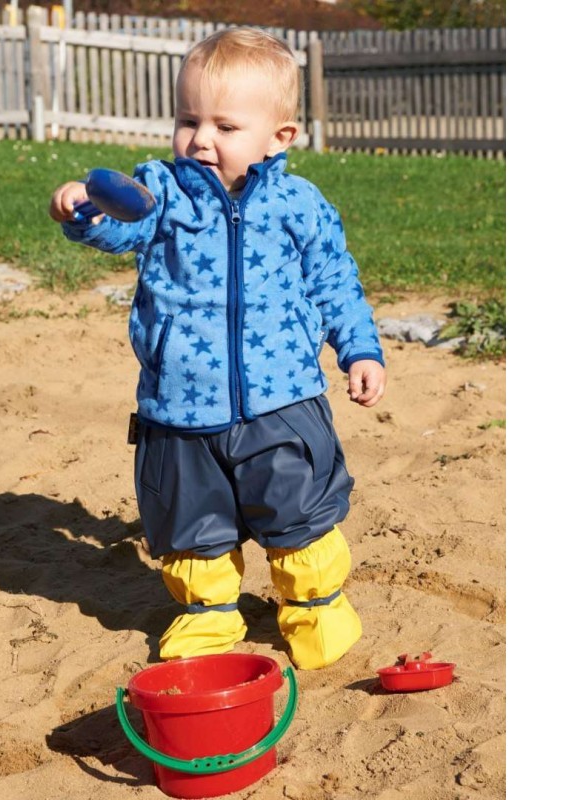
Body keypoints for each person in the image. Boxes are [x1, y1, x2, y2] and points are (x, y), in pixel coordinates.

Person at [48, 27, 386, 670]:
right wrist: (85, 212)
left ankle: (314, 606)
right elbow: (123, 226)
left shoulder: (300, 205)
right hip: (180, 405)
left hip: (282, 401)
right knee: (191, 524)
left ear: (278, 137)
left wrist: (360, 350)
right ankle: (208, 614)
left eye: (225, 126)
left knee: (300, 514)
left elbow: (334, 282)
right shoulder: (163, 194)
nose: (201, 139)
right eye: (188, 120)